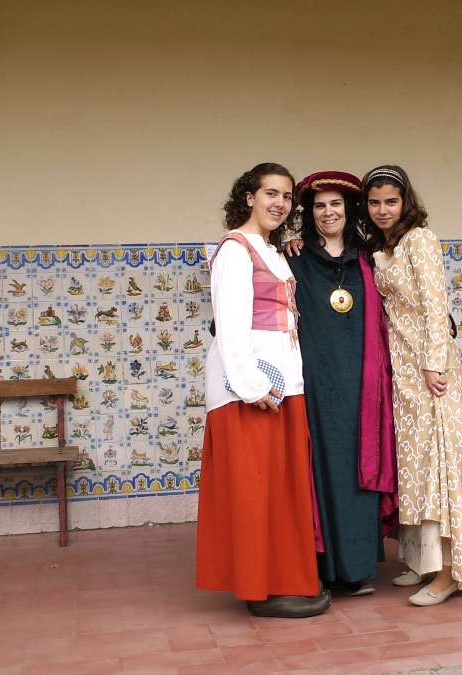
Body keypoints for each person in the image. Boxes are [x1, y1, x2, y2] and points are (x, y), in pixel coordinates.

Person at [195, 162, 330, 618]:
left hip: (283, 384)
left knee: (280, 488)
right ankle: (260, 588)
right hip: (250, 389)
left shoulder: (272, 251)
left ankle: (284, 578)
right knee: (255, 488)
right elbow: (230, 326)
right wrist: (250, 385)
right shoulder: (234, 250)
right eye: (271, 193)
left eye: (287, 196)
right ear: (249, 197)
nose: (280, 203)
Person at [363, 164, 462, 606]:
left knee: (441, 467)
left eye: (391, 201)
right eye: (374, 202)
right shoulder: (383, 247)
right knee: (416, 468)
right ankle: (425, 562)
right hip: (401, 373)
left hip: (428, 370)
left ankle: (454, 572)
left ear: (406, 202)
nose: (383, 210)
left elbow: (437, 307)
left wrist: (434, 364)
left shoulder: (421, 239)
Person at [286, 171, 398, 596]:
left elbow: (403, 303)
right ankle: (323, 568)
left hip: (363, 383)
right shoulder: (294, 258)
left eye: (335, 204)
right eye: (319, 206)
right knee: (321, 471)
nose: (328, 212)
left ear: (349, 209)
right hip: (317, 384)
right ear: (309, 213)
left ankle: (356, 570)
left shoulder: (369, 258)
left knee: (357, 468)